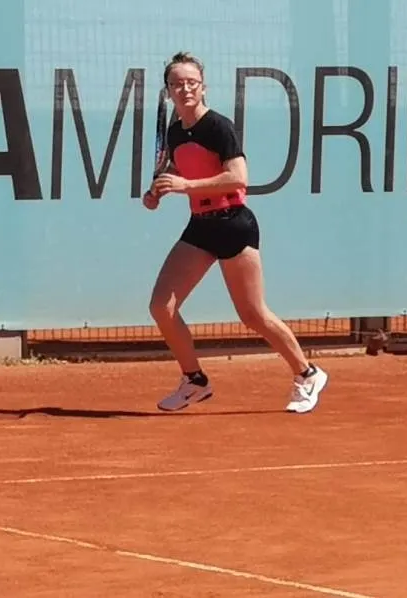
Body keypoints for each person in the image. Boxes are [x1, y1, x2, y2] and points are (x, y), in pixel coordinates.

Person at [142, 51, 328, 414]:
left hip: (233, 223)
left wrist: (185, 186)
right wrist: (158, 192)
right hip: (200, 226)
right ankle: (195, 381)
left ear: (203, 87)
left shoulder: (219, 127)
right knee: (161, 306)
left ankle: (307, 374)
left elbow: (238, 177)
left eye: (191, 83)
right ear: (168, 91)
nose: (185, 89)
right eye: (177, 84)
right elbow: (178, 170)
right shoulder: (175, 131)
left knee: (253, 314)